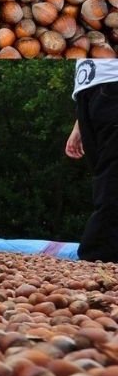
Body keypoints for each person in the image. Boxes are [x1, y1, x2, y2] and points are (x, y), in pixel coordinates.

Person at [66, 58, 118, 262]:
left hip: (112, 88)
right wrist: (78, 124)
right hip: (89, 93)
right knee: (104, 177)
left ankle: (99, 257)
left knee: (112, 178)